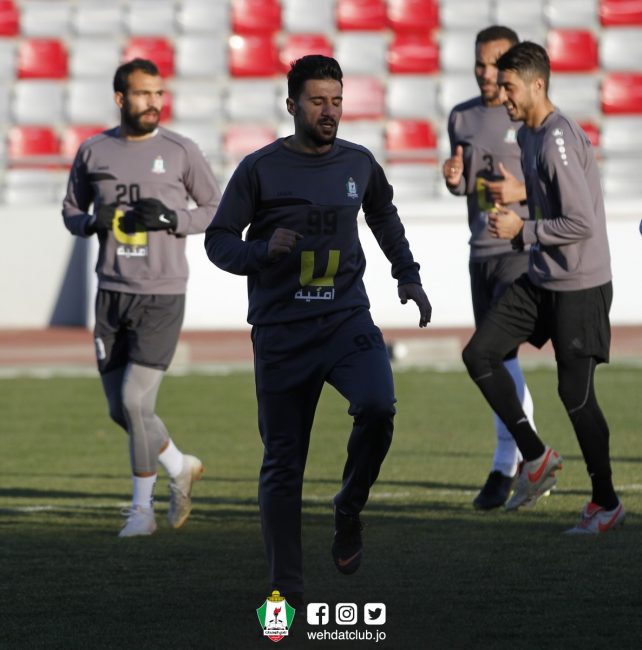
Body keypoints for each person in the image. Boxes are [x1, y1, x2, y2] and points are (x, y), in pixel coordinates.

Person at [204, 55, 431, 608]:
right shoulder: (259, 169)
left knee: (378, 406)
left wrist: (407, 273)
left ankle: (348, 507)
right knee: (284, 465)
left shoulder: (358, 162)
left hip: (346, 320)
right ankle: (286, 592)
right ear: (292, 105)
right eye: (317, 101)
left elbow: (383, 214)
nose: (329, 111)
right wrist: (261, 251)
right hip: (282, 333)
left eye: (336, 101)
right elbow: (218, 240)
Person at [462, 42, 625, 533]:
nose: (502, 95)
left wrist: (524, 230)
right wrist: (521, 212)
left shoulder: (557, 138)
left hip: (579, 285)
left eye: (509, 86)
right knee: (480, 354)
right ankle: (535, 458)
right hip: (541, 277)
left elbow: (581, 222)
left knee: (575, 394)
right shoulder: (529, 134)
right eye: (500, 86)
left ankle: (606, 503)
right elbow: (549, 200)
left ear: (537, 85)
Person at [62, 58, 222, 537]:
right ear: (120, 98)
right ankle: (180, 465)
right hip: (111, 294)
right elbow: (71, 211)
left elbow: (215, 208)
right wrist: (90, 221)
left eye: (158, 93)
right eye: (142, 93)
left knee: (135, 401)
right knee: (122, 410)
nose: (153, 102)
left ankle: (141, 512)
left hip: (161, 295)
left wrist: (172, 219)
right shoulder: (93, 151)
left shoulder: (180, 150)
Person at [443, 25, 538, 510]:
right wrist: (454, 180)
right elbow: (467, 186)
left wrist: (521, 193)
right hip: (479, 251)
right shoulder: (461, 116)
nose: (485, 73)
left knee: (494, 355)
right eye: (479, 64)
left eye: (495, 64)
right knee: (499, 361)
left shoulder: (529, 116)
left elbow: (561, 184)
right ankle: (527, 459)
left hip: (520, 251)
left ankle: (512, 461)